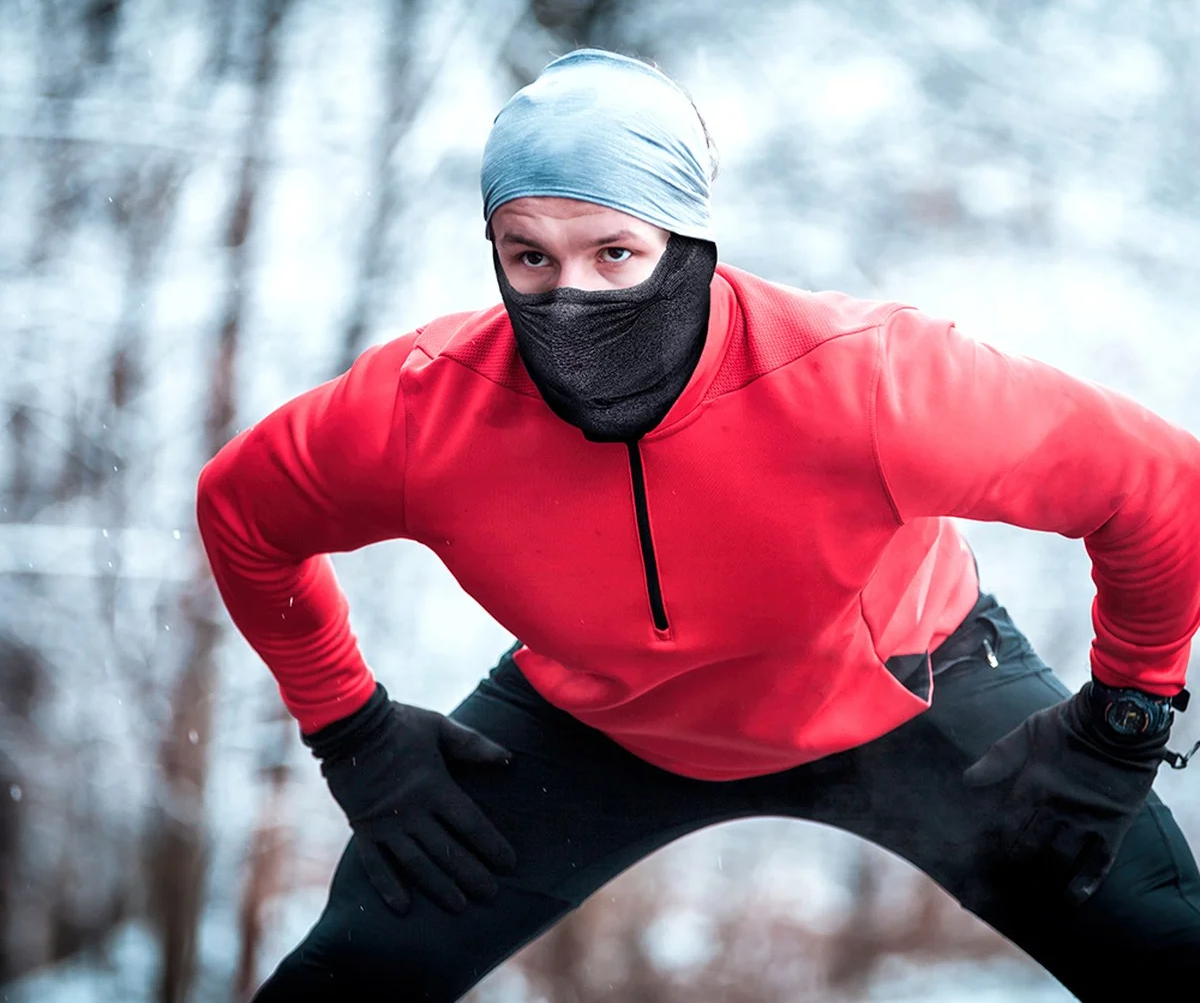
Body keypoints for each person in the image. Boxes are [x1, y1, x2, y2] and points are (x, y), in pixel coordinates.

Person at [196, 49, 1200, 1001]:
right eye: (530, 257)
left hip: (909, 689)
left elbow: (1160, 485)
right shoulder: (425, 413)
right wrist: (352, 731)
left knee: (1163, 953)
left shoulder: (870, 384)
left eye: (616, 251)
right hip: (596, 723)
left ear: (689, 244)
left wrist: (1126, 717)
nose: (571, 296)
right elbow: (240, 514)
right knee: (350, 977)